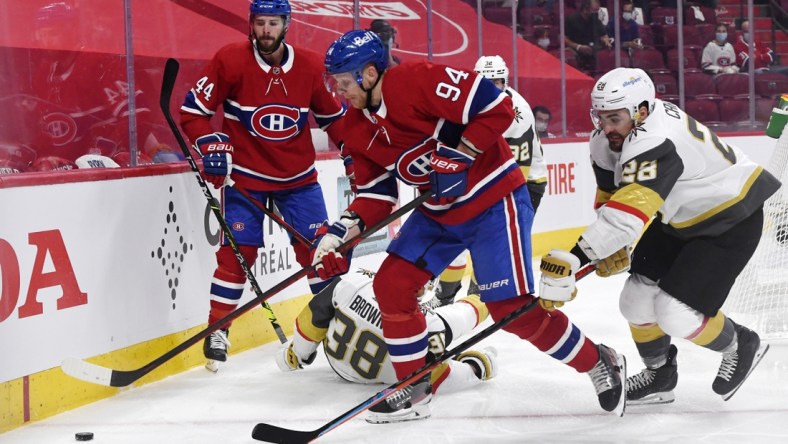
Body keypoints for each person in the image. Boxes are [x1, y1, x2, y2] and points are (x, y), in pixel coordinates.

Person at [316, 29, 626, 424]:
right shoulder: (357, 127)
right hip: (439, 212)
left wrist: (461, 155)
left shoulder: (416, 80)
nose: (340, 91)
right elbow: (377, 194)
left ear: (371, 73)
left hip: (493, 202)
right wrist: (339, 234)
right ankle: (415, 385)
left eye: (344, 82)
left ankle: (599, 360)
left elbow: (498, 107)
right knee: (391, 284)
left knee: (510, 310)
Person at [537, 67, 778, 406]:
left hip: (730, 217)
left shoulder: (655, 140)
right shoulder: (607, 138)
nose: (606, 127)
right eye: (600, 117)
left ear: (642, 111)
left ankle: (741, 344)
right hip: (678, 218)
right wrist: (608, 245)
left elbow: (626, 215)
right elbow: (613, 198)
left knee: (675, 313)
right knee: (633, 300)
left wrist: (577, 256)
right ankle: (660, 375)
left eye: (615, 118)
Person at [179, 0, 346, 369]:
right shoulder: (230, 60)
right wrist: (210, 144)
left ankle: (336, 327)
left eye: (273, 23)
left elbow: (336, 120)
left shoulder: (309, 66)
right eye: (260, 23)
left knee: (320, 255)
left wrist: (356, 152)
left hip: (299, 182)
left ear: (286, 25)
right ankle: (218, 329)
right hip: (245, 182)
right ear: (251, 25)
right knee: (237, 256)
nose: (266, 30)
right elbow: (192, 115)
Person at [276, 268, 498, 420]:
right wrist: (462, 363)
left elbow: (313, 317)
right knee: (455, 325)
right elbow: (433, 372)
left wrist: (296, 354)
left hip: (337, 363)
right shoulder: (427, 320)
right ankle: (481, 357)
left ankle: (292, 356)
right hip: (387, 375)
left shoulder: (355, 281)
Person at [431, 55, 549, 308]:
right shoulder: (465, 102)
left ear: (505, 82)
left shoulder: (519, 114)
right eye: (484, 82)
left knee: (492, 240)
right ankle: (444, 299)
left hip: (523, 183)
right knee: (455, 231)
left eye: (496, 83)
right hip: (486, 174)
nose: (491, 88)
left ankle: (479, 298)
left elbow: (517, 174)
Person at [564, 0, 613, 73]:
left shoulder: (595, 20)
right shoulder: (572, 19)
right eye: (594, 11)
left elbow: (603, 35)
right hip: (576, 50)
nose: (596, 13)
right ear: (585, 9)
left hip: (593, 50)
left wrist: (606, 41)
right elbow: (564, 38)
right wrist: (578, 47)